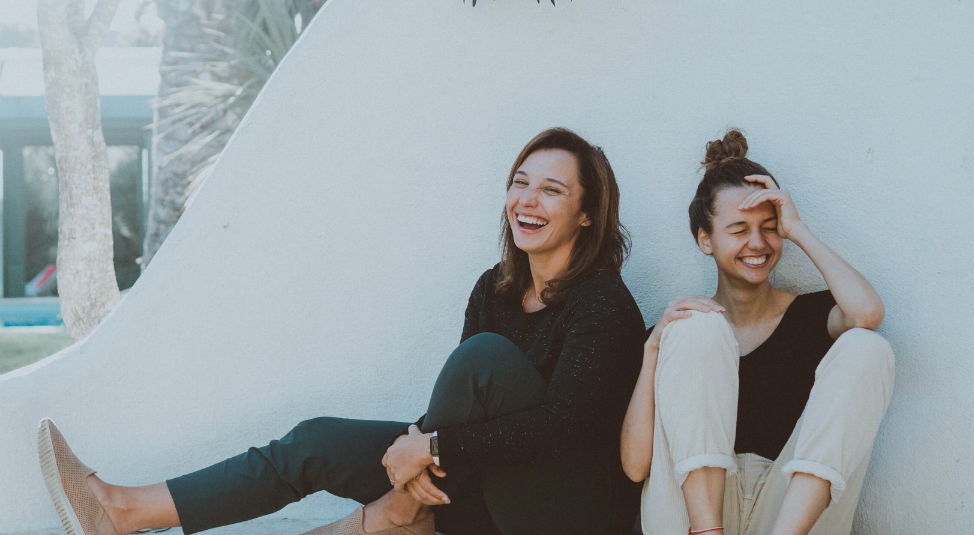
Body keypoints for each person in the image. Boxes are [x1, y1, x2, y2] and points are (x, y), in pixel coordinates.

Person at [39, 127, 645, 535]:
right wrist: (423, 450)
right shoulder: (496, 288)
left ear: (587, 213)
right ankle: (123, 510)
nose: (527, 199)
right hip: (481, 495)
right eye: (520, 182)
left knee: (482, 358)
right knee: (315, 441)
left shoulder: (602, 303)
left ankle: (398, 513)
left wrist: (428, 449)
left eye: (552, 189)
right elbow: (463, 411)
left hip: (567, 513)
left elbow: (562, 429)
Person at [620, 129, 895, 535]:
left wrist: (798, 229)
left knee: (867, 348)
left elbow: (868, 313)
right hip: (690, 515)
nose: (757, 243)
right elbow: (635, 465)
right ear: (705, 239)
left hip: (785, 514)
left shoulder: (810, 315)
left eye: (769, 227)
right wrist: (652, 349)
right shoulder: (680, 333)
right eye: (738, 229)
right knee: (698, 326)